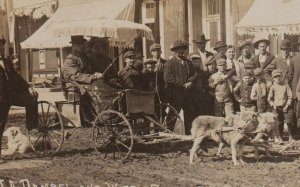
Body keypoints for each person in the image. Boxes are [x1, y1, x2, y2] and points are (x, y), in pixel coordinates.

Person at [0, 38, 38, 163]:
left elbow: (16, 77)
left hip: (11, 95)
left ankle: (32, 126)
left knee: (31, 99)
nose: (0, 49)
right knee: (0, 124)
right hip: (1, 98)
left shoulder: (6, 61)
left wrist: (28, 87)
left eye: (1, 46)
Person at [62, 35, 102, 126]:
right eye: (80, 45)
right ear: (74, 46)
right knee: (89, 92)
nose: (83, 46)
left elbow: (90, 70)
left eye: (82, 44)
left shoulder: (83, 57)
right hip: (73, 84)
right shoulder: (70, 59)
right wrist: (92, 77)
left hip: (84, 81)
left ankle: (103, 114)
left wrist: (96, 74)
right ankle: (91, 117)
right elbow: (76, 76)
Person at [164, 39, 198, 135]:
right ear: (174, 51)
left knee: (189, 115)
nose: (181, 51)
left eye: (183, 49)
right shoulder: (169, 63)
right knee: (173, 115)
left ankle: (189, 135)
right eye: (179, 49)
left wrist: (190, 82)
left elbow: (195, 74)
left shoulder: (188, 62)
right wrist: (181, 84)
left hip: (187, 94)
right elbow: (167, 78)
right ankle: (168, 134)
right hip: (175, 94)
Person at [268, 69, 294, 142]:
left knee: (288, 121)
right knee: (279, 123)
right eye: (276, 77)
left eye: (279, 76)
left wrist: (287, 105)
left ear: (282, 76)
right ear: (273, 78)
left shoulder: (286, 85)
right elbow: (269, 99)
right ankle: (280, 137)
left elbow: (290, 96)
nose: (278, 78)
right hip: (277, 108)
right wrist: (273, 105)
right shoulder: (273, 87)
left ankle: (290, 137)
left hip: (286, 106)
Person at [188, 52, 205, 118]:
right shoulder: (189, 72)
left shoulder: (202, 72)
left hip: (200, 96)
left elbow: (204, 83)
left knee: (200, 113)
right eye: (194, 62)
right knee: (192, 114)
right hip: (192, 96)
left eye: (198, 62)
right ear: (191, 62)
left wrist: (203, 89)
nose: (196, 63)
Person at [289, 39, 300, 132]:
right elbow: (291, 76)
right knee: (297, 113)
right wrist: (293, 92)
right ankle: (296, 132)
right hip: (297, 90)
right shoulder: (293, 60)